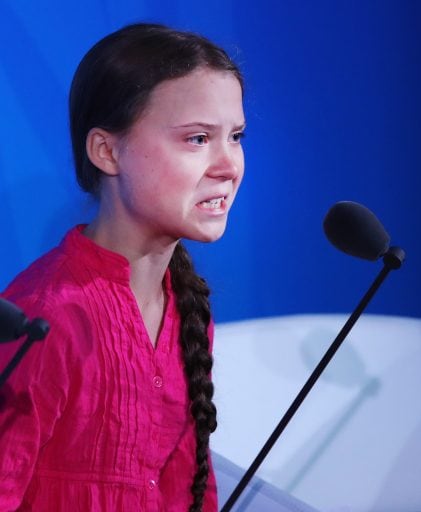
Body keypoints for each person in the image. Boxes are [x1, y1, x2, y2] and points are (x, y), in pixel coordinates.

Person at [0, 22, 245, 511]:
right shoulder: (48, 315)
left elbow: (186, 493)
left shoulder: (187, 309)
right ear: (107, 151)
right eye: (197, 139)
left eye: (235, 136)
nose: (228, 164)